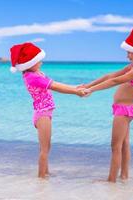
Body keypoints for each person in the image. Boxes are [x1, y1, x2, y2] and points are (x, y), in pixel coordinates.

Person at [80, 28, 133, 182]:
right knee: (124, 144)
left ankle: (111, 181)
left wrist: (91, 90)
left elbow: (114, 81)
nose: (127, 55)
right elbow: (110, 75)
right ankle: (124, 177)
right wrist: (88, 84)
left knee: (115, 146)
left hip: (124, 111)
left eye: (130, 52)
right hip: (125, 109)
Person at [10, 42, 85, 178]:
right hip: (42, 114)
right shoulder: (33, 78)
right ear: (29, 63)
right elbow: (55, 86)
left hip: (45, 113)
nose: (41, 63)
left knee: (46, 148)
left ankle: (46, 173)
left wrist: (75, 87)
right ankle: (41, 179)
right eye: (39, 61)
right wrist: (75, 92)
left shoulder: (35, 74)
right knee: (45, 149)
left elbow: (55, 82)